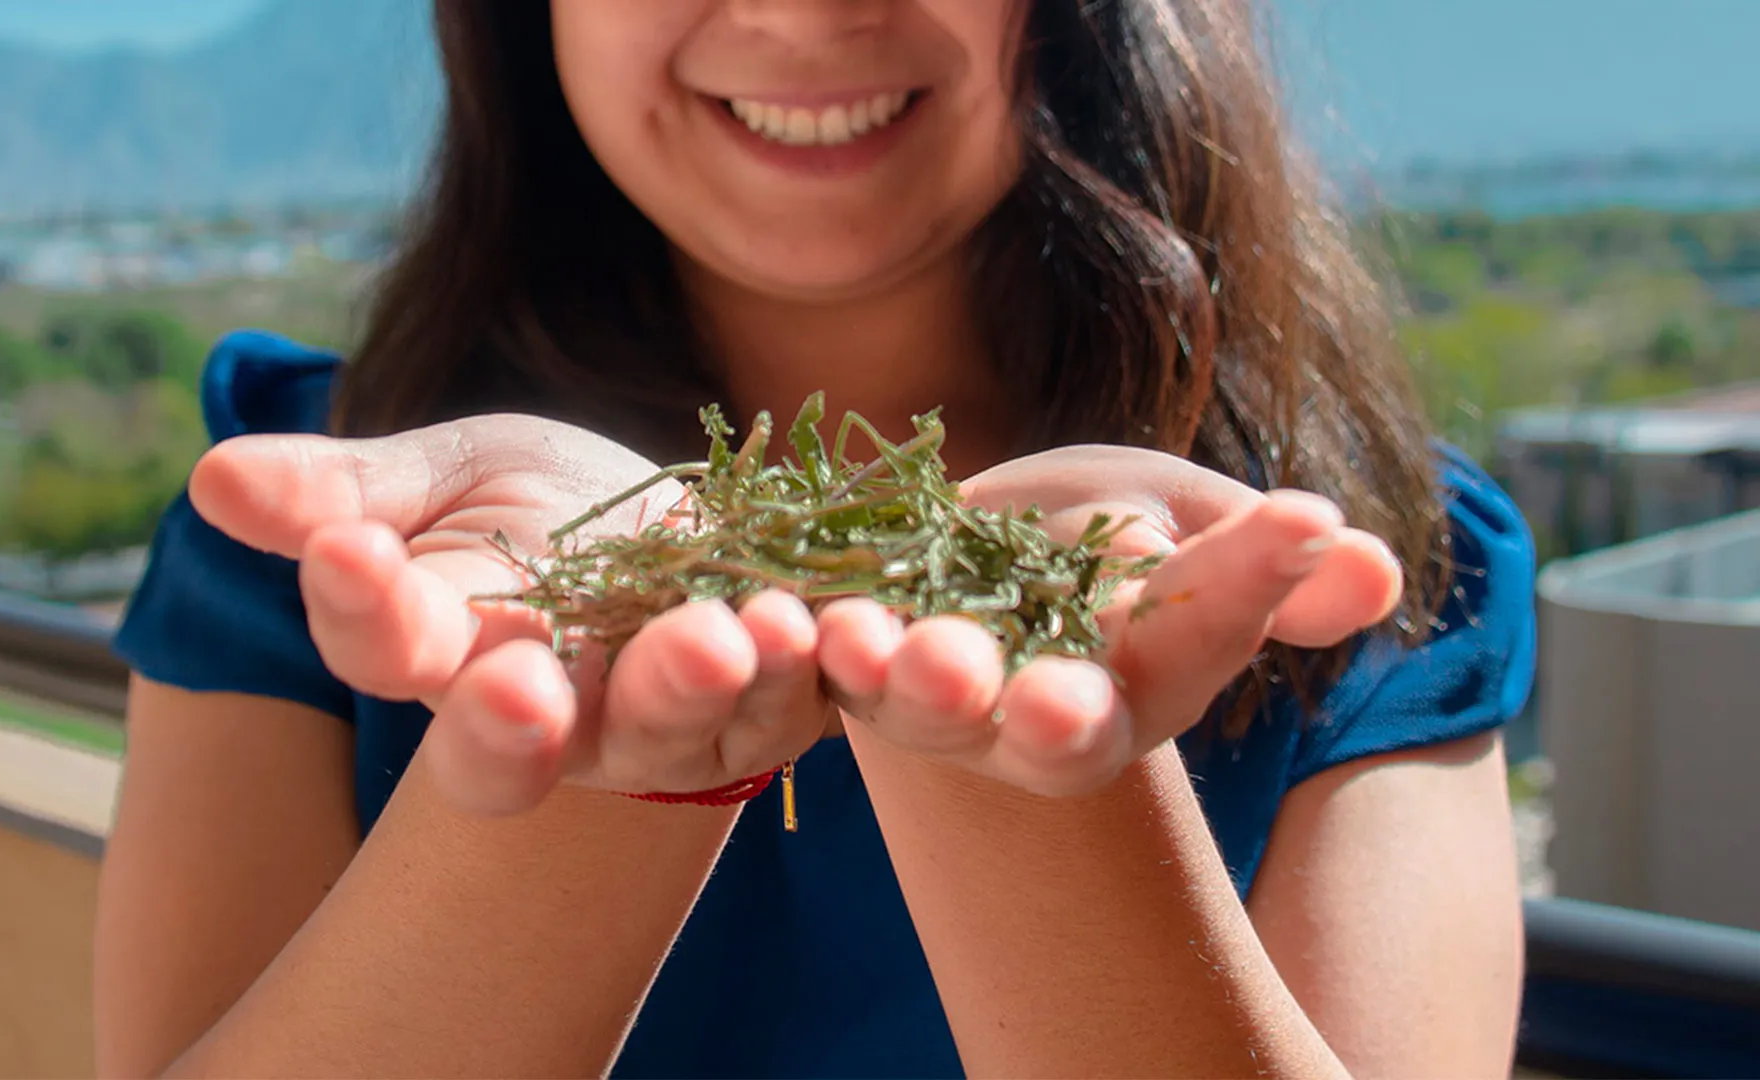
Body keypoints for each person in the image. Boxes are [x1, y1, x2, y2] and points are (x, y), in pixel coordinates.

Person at [93, 1, 1537, 1077]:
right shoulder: (336, 543)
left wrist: (1022, 736)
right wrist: (603, 749)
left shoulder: (1347, 569)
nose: (799, 11)